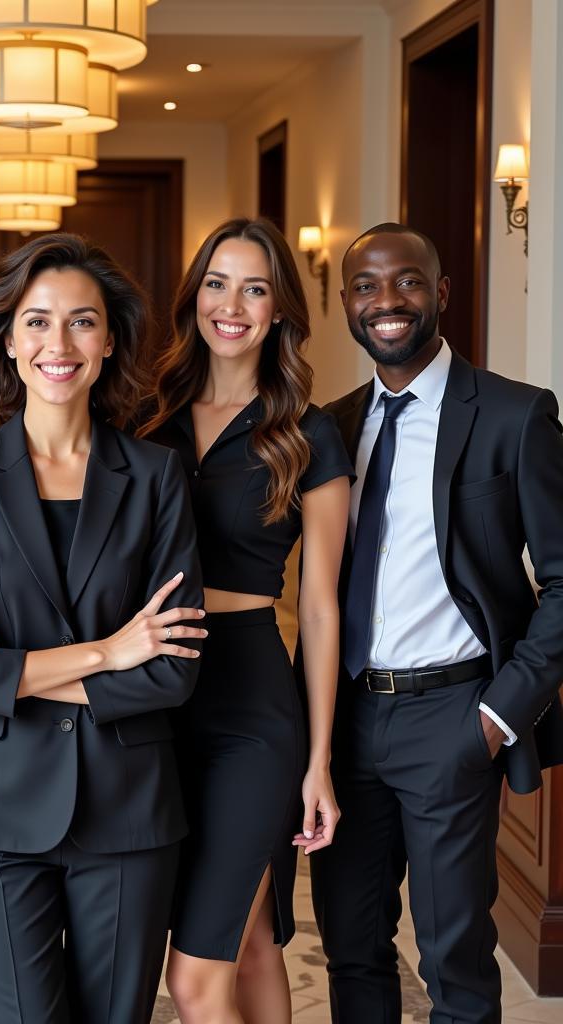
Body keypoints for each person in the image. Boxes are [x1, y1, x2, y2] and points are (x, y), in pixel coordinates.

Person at [0, 232, 206, 1023]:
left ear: (109, 342)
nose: (58, 343)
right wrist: (110, 652)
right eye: (37, 322)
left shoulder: (155, 476)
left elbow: (173, 670)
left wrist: (7, 669)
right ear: (9, 340)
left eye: (82, 322)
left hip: (128, 808)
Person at [311, 222, 563, 1023]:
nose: (387, 302)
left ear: (441, 293)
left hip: (453, 716)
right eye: (366, 287)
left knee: (452, 955)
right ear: (349, 304)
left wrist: (496, 716)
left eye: (407, 281)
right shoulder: (333, 425)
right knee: (352, 949)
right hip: (347, 717)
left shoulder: (515, 417)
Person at [140, 218, 352, 1024]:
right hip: (150, 693)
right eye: (218, 283)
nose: (233, 305)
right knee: (251, 938)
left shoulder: (307, 434)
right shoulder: (144, 414)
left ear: (280, 310)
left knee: (194, 981)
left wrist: (319, 759)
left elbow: (324, 607)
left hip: (250, 705)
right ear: (194, 295)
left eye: (255, 288)